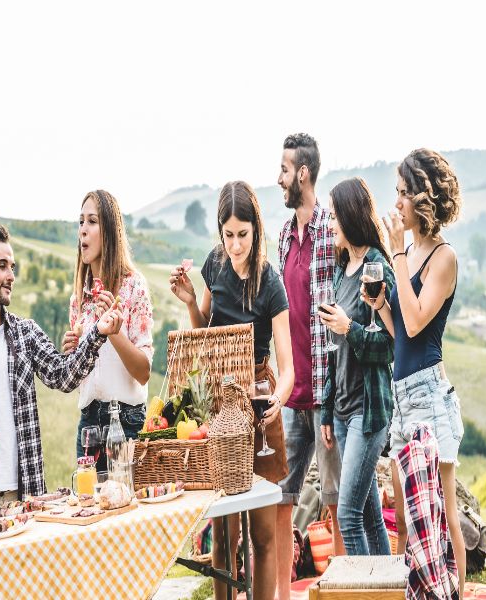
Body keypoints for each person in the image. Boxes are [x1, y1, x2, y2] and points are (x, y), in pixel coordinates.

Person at [0, 224, 124, 502]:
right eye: (2, 266)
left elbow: (63, 376)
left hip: (28, 494)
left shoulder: (25, 333)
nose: (11, 276)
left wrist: (97, 334)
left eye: (13, 267)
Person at [170, 181, 294, 600]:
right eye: (229, 235)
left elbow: (287, 365)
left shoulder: (270, 282)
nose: (236, 245)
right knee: (223, 537)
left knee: (261, 535)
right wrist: (190, 301)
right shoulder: (215, 265)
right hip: (218, 405)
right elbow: (203, 335)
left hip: (258, 396)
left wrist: (277, 400)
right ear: (220, 232)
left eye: (244, 234)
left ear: (256, 229)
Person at [364, 148, 465, 589]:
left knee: (442, 514)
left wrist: (397, 255)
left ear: (425, 198)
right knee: (406, 519)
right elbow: (402, 326)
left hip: (428, 392)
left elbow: (421, 318)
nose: (397, 202)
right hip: (403, 393)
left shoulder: (443, 257)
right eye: (397, 192)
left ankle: (455, 592)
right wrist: (381, 304)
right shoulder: (411, 251)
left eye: (404, 193)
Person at [276, 133, 345, 593]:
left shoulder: (329, 230)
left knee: (337, 500)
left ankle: (343, 587)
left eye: (283, 169)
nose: (278, 177)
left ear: (303, 173)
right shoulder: (283, 236)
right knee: (282, 498)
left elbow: (337, 325)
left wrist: (330, 401)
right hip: (289, 393)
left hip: (324, 396)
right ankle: (281, 588)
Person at [318, 178, 394, 556]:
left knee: (347, 517)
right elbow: (335, 349)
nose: (331, 224)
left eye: (334, 216)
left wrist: (351, 328)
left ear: (349, 216)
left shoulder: (377, 268)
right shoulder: (342, 268)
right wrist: (328, 409)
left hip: (369, 411)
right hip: (345, 412)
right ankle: (390, 592)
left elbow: (391, 344)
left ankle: (368, 593)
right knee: (368, 517)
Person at [62, 190, 154, 471]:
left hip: (126, 423)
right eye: (80, 222)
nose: (83, 231)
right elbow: (80, 379)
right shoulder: (79, 298)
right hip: (88, 425)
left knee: (126, 510)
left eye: (92, 222)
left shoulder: (134, 287)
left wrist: (114, 333)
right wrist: (73, 353)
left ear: (110, 232)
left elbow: (143, 372)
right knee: (89, 509)